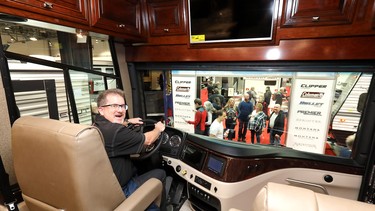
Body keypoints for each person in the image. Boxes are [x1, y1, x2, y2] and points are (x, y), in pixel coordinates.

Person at [93, 89, 166, 211]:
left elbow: (115, 126)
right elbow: (148, 140)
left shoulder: (97, 125)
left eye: (122, 106)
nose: (120, 110)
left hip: (107, 186)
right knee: (161, 173)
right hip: (123, 189)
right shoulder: (116, 132)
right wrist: (158, 129)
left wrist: (127, 121)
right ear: (101, 110)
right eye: (114, 106)